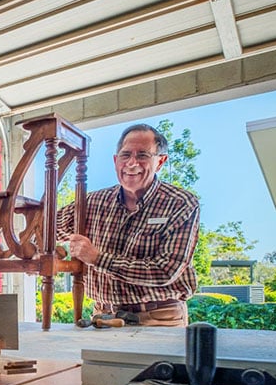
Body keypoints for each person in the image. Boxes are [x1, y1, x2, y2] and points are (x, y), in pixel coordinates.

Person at [57, 123, 200, 326]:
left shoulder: (180, 204)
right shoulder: (92, 203)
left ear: (160, 161)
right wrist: (43, 249)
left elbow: (166, 270)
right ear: (116, 161)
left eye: (143, 155)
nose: (132, 163)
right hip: (103, 316)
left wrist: (97, 258)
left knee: (161, 360)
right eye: (125, 155)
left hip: (159, 317)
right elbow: (47, 228)